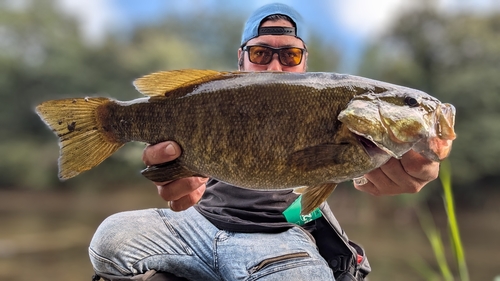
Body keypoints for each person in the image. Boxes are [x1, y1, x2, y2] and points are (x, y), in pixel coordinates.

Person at [89, 3, 440, 281]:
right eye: (260, 54)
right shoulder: (213, 98)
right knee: (110, 239)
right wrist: (175, 176)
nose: (274, 66)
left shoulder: (354, 130)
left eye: (290, 56)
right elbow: (173, 174)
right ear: (240, 58)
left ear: (306, 65)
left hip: (280, 239)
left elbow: (363, 173)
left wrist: (414, 156)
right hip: (195, 225)